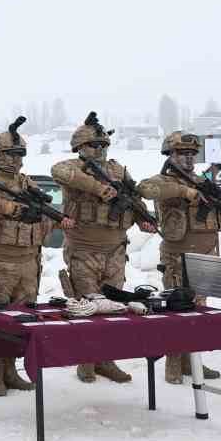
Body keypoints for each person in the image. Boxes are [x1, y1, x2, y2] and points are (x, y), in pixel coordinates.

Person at [0, 117, 68, 396]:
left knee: (21, 319)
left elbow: (39, 215)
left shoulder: (26, 182)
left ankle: (11, 371)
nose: (16, 159)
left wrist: (57, 222)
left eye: (20, 154)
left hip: (29, 260)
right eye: (10, 154)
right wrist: (6, 207)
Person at [51, 112, 156, 383]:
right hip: (83, 250)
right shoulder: (73, 168)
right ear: (80, 147)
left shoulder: (118, 170)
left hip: (115, 251)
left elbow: (133, 197)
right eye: (92, 145)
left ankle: (106, 360)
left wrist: (143, 219)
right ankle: (86, 362)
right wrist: (98, 188)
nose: (99, 149)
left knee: (114, 310)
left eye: (102, 145)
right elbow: (58, 171)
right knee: (88, 308)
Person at [135, 131, 221, 384]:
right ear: (170, 155)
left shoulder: (201, 182)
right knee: (176, 312)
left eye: (192, 153)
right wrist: (185, 192)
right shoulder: (163, 181)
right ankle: (173, 366)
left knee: (198, 313)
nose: (189, 158)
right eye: (183, 153)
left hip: (205, 255)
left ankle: (192, 362)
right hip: (178, 258)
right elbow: (145, 189)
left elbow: (215, 216)